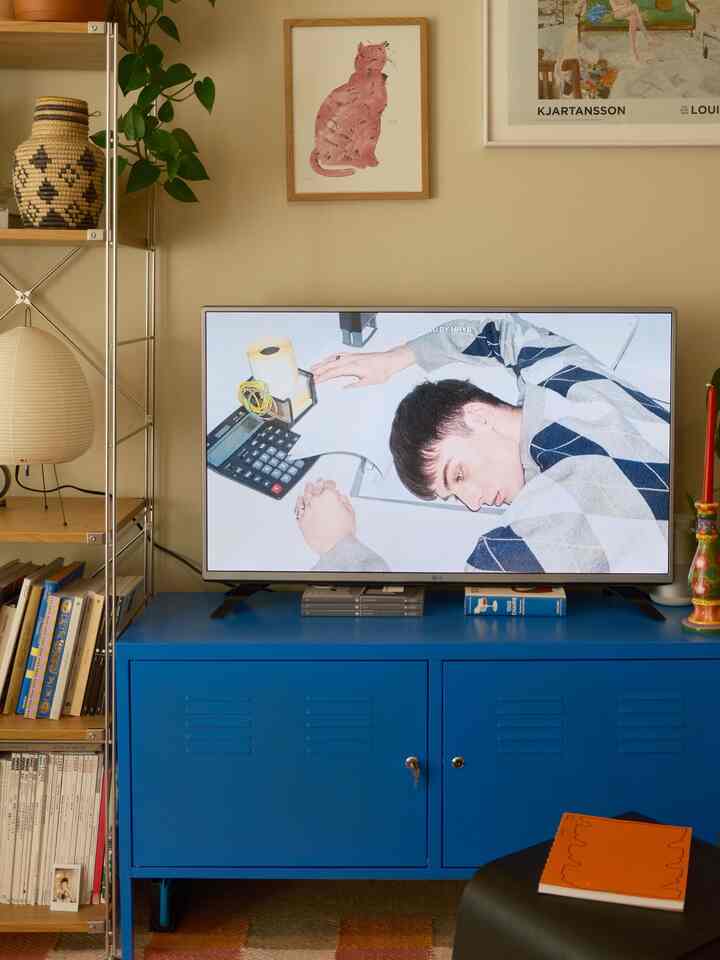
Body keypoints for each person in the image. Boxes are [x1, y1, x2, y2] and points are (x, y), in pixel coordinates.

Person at [295, 314, 670, 575]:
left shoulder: (550, 521)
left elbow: (429, 651)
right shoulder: (567, 376)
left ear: (477, 416)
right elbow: (497, 331)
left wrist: (338, 544)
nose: (474, 503)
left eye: (458, 475)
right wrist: (395, 359)